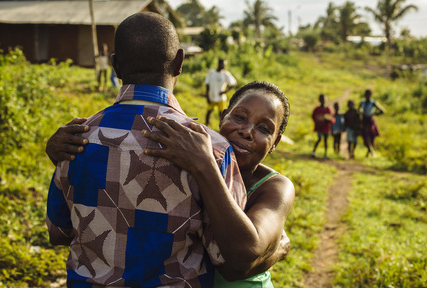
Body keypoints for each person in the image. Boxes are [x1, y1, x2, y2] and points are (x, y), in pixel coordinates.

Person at [45, 12, 247, 287]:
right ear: (179, 63)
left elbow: (58, 232)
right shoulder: (212, 150)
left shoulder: (72, 139)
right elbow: (227, 254)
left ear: (115, 66)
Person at [47, 81, 295, 287]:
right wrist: (62, 155)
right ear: (222, 118)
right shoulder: (189, 153)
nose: (247, 131)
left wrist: (206, 166)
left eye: (264, 128)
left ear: (275, 142)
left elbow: (238, 264)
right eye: (239, 117)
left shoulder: (274, 187)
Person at [205, 59, 237, 126]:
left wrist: (225, 91)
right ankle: (206, 125)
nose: (224, 66)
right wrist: (207, 96)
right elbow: (207, 84)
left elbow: (233, 83)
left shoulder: (225, 74)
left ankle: (221, 126)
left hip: (221, 98)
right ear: (219, 64)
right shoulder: (211, 72)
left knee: (221, 114)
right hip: (212, 96)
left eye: (225, 65)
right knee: (209, 111)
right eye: (223, 64)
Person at [358, 89, 385, 157]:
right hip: (364, 120)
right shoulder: (362, 102)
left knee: (368, 136)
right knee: (365, 136)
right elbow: (359, 110)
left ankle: (371, 151)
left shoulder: (373, 103)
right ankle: (370, 151)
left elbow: (382, 110)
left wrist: (375, 114)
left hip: (369, 121)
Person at [311, 94, 334, 159]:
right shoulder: (317, 109)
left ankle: (325, 154)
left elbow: (331, 118)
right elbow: (313, 116)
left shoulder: (328, 109)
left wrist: (329, 120)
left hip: (326, 127)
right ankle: (313, 151)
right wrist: (316, 122)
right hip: (319, 127)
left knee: (326, 140)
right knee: (319, 139)